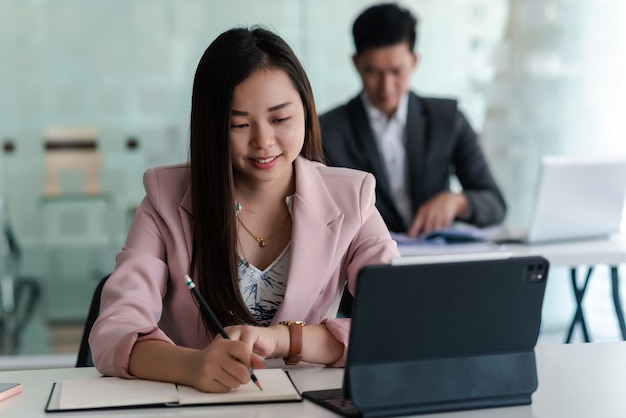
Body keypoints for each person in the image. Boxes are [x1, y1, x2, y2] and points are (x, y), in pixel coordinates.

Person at [89, 26, 399, 393]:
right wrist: (193, 366)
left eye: (281, 119)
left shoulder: (352, 197)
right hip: (196, 402)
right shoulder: (165, 199)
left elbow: (398, 321)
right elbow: (114, 330)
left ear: (306, 110)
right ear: (211, 126)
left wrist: (288, 341)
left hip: (304, 404)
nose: (263, 141)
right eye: (239, 124)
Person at [320, 2, 506, 237]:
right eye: (373, 72)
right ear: (356, 64)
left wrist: (456, 202)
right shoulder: (327, 130)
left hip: (434, 263)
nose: (386, 86)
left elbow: (495, 204)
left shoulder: (447, 118)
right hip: (365, 266)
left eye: (397, 71)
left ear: (415, 61)